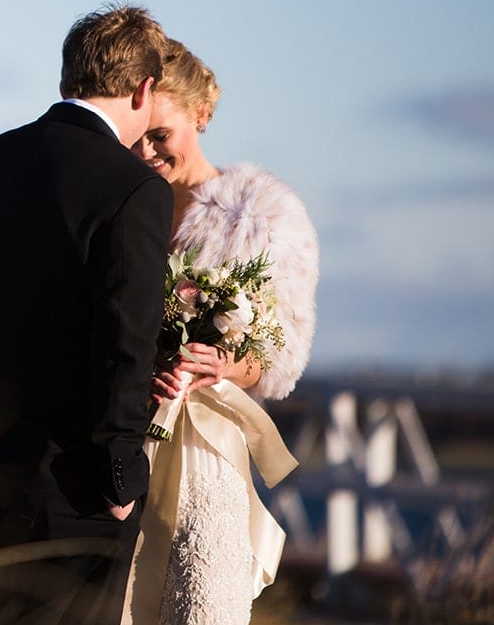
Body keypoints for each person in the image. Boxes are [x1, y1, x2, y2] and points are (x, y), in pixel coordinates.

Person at [0, 5, 175, 624]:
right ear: (143, 89)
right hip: (73, 481)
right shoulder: (135, 189)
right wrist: (119, 473)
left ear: (69, 79)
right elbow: (125, 338)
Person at [121, 40, 319, 625]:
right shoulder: (121, 212)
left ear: (200, 115)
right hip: (122, 452)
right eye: (137, 136)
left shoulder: (262, 217)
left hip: (208, 455)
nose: (148, 150)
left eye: (162, 133)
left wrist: (222, 365)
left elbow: (279, 359)